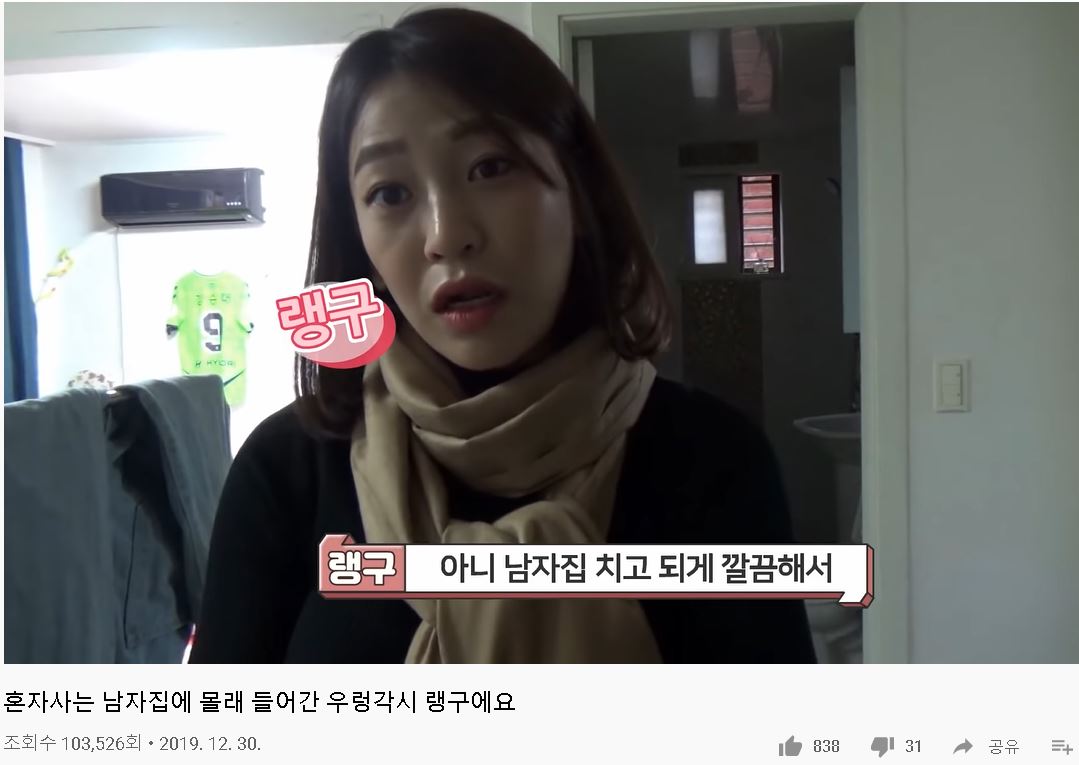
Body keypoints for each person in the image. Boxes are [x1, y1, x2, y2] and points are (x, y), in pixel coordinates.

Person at [191, 8, 817, 664]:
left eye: (490, 167)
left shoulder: (714, 464)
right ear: (359, 242)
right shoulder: (286, 472)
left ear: (578, 193)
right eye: (390, 193)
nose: (445, 235)